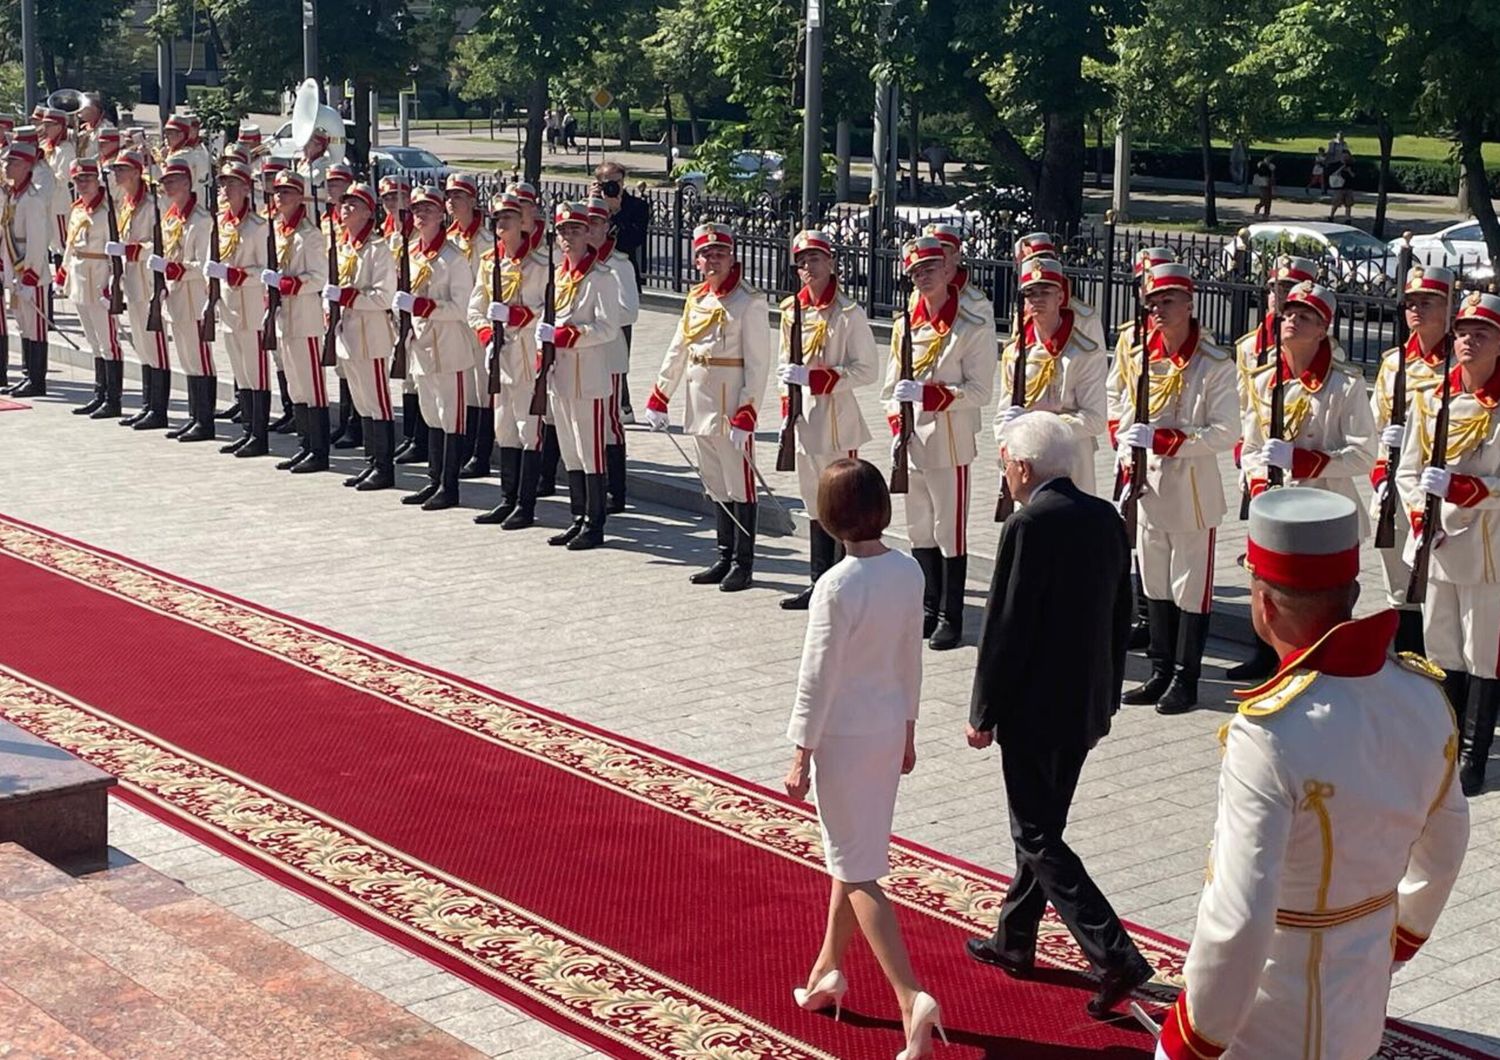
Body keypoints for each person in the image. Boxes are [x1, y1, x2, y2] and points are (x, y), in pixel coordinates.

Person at [1157, 487, 1468, 1060]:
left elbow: (1241, 911)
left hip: (1271, 1010)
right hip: (1365, 976)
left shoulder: (1270, 733)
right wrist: (1398, 936)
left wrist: (1196, 1036)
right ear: (1352, 592)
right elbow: (1445, 846)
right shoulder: (1424, 697)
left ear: (1264, 604)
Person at [965, 411, 1154, 1021]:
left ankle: (1114, 953)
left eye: (1006, 465)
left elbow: (1006, 627)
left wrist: (984, 710)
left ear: (1022, 466)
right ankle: (1015, 940)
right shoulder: (1104, 517)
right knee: (1042, 824)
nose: (1006, 476)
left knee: (1037, 834)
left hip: (1033, 707)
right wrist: (1108, 694)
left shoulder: (1028, 524)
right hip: (1086, 701)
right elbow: (1122, 612)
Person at [782, 457, 945, 1060]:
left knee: (857, 869)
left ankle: (910, 998)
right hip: (882, 731)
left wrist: (800, 750)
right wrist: (908, 728)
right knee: (850, 854)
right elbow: (911, 658)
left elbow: (816, 676)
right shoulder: (906, 571)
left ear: (829, 519)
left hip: (844, 737)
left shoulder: (835, 586)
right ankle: (827, 969)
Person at [1114, 264, 1238, 714]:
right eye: (1153, 303)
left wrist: (1167, 441)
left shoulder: (1214, 363)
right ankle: (1159, 671)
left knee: (1190, 590)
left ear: (1190, 303)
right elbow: (1121, 401)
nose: (1158, 310)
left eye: (1168, 301)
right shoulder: (1143, 354)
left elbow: (1227, 432)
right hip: (1148, 490)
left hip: (1192, 494)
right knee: (1156, 584)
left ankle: (1187, 678)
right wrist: (1125, 443)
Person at [1237, 281, 1375, 679]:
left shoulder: (1345, 385)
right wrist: (1260, 482)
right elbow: (1251, 447)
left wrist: (1304, 461)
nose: (1293, 320)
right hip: (1275, 514)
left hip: (1325, 518)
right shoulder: (1265, 380)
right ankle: (1277, 675)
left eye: (1306, 317)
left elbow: (1364, 455)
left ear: (1323, 329)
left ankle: (1328, 679)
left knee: (1322, 612)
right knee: (1275, 607)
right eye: (1290, 313)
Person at [1396, 289, 1500, 797]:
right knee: (1442, 646)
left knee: (1484, 651)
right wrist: (1421, 513)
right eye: (1462, 332)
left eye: (1481, 334)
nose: (1468, 342)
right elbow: (1409, 469)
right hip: (1439, 543)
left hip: (1489, 548)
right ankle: (1446, 740)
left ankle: (1474, 755)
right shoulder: (1435, 399)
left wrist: (1466, 490)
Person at [646, 223, 771, 591]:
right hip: (699, 402)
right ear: (696, 260)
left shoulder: (749, 302)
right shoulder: (696, 299)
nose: (713, 260)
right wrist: (660, 393)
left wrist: (748, 410)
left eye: (720, 253)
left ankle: (743, 562)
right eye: (706, 254)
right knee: (715, 483)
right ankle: (722, 555)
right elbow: (678, 348)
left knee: (739, 484)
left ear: (733, 257)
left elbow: (759, 363)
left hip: (731, 405)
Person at [885, 236, 994, 650]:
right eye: (915, 273)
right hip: (911, 441)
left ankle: (952, 614)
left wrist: (932, 396)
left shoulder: (970, 327)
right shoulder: (904, 327)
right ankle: (927, 608)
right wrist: (898, 420)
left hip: (949, 440)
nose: (923, 277)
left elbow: (982, 390)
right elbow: (889, 387)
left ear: (948, 272)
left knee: (949, 530)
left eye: (930, 268)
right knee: (918, 528)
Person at [776, 229, 877, 610]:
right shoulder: (791, 311)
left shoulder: (849, 314)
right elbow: (784, 365)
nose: (807, 267)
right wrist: (788, 402)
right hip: (803, 422)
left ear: (831, 262)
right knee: (814, 503)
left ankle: (846, 583)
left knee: (844, 504)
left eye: (815, 259)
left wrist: (819, 378)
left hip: (837, 421)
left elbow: (867, 370)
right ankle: (819, 582)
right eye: (801, 262)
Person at [1368, 263, 1454, 655]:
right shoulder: (1393, 363)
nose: (1416, 309)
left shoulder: (1458, 363)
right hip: (1394, 487)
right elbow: (1375, 427)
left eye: (1428, 301)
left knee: (1437, 586)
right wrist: (1380, 475)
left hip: (1436, 484)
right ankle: (1405, 663)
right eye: (1411, 303)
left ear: (1449, 306)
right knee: (1398, 585)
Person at [531, 201, 622, 550]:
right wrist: (543, 344)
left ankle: (595, 523)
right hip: (560, 374)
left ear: (588, 234)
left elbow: (608, 327)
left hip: (588, 376)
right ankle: (577, 516)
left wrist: (570, 335)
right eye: (563, 231)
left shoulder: (601, 277)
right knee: (569, 449)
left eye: (575, 230)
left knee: (590, 451)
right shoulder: (558, 274)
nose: (568, 237)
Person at [993, 256, 1108, 496]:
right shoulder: (1016, 351)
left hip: (1071, 461)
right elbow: (1003, 412)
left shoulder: (1083, 351)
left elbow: (1096, 418)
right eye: (1030, 293)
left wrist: (1040, 424)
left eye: (1045, 292)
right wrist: (1006, 436)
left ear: (1060, 296)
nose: (1037, 300)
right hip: (1026, 463)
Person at [394, 186, 475, 511]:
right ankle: (433, 480)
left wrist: (424, 307)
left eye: (428, 209)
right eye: (416, 210)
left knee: (450, 416)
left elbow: (463, 307)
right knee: (430, 415)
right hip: (421, 347)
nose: (421, 215)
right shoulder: (411, 252)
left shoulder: (453, 258)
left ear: (442, 215)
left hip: (449, 349)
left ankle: (449, 486)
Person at [470, 190, 547, 528]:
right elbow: (475, 308)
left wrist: (519, 317)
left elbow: (550, 310)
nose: (502, 224)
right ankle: (507, 498)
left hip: (529, 354)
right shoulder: (489, 262)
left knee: (528, 429)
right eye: (498, 219)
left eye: (509, 218)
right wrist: (487, 334)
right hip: (500, 356)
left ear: (523, 222)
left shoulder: (541, 264)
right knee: (504, 428)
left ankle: (526, 505)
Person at [321, 181, 398, 490]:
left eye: (354, 204)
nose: (346, 208)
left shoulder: (378, 250)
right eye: (344, 204)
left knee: (378, 402)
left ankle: (384, 467)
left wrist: (347, 297)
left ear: (369, 212)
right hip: (348, 335)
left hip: (371, 336)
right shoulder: (342, 246)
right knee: (363, 403)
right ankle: (371, 462)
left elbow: (383, 297)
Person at [260, 169, 332, 473]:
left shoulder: (310, 235)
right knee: (296, 386)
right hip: (284, 317)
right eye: (278, 192)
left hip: (305, 316)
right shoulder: (277, 230)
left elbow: (319, 278)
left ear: (299, 196)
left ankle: (319, 450)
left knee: (312, 386)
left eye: (287, 192)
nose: (280, 197)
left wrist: (286, 284)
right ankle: (305, 445)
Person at [206, 160, 272, 458]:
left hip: (252, 307)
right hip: (230, 307)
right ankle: (247, 429)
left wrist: (236, 275)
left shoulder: (258, 227)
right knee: (241, 372)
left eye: (232, 184)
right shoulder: (220, 224)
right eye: (222, 184)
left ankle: (259, 434)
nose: (225, 189)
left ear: (246, 189)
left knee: (256, 371)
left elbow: (266, 270)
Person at [103, 148, 170, 427]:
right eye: (115, 170)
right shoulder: (127, 203)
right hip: (131, 281)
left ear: (135, 172)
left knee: (154, 344)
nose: (116, 174)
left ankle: (159, 409)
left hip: (147, 281)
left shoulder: (152, 204)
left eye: (121, 169)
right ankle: (147, 404)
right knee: (142, 345)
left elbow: (160, 243)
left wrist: (130, 250)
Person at [583, 196, 639, 512]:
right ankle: (594, 485)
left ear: (607, 226)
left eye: (597, 222)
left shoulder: (619, 264)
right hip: (579, 355)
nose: (591, 229)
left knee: (609, 422)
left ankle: (616, 490)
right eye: (586, 223)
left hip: (608, 353)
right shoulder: (575, 262)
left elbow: (630, 311)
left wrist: (596, 316)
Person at [62, 157, 126, 419]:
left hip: (100, 276)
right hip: (79, 275)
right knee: (93, 340)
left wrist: (114, 282)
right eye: (78, 179)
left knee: (108, 340)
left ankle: (113, 399)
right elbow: (70, 243)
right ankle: (99, 393)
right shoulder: (77, 208)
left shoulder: (109, 211)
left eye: (87, 178)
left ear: (97, 179)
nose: (83, 184)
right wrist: (64, 271)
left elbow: (116, 250)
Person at [443, 172, 494, 479]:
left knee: (483, 390)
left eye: (458, 197)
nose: (452, 202)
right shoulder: (449, 238)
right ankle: (465, 449)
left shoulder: (486, 240)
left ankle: (481, 453)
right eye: (449, 197)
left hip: (478, 323)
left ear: (473, 201)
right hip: (455, 325)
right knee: (465, 390)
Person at [592, 162, 650, 422]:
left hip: (620, 276)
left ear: (624, 181)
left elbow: (632, 241)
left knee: (620, 342)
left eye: (615, 181)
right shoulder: (590, 205)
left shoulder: (637, 207)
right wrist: (596, 204)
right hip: (591, 275)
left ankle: (622, 402)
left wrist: (614, 213)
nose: (611, 186)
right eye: (605, 182)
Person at [0, 137, 53, 400]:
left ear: (26, 166)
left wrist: (30, 274)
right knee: (23, 324)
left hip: (30, 270)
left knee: (35, 327)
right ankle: (28, 376)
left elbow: (37, 239)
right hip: (14, 266)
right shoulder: (13, 195)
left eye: (12, 162)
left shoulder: (31, 198)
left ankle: (37, 379)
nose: (7, 165)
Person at [1326, 149, 1355, 222]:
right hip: (1339, 187)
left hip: (1348, 187)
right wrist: (1341, 168)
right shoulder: (1337, 164)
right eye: (1343, 156)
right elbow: (1333, 174)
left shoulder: (1351, 165)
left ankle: (1347, 218)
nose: (1345, 158)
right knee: (1336, 203)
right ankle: (1331, 216)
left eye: (1347, 156)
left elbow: (1354, 176)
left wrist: (1349, 171)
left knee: (1348, 204)